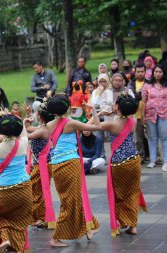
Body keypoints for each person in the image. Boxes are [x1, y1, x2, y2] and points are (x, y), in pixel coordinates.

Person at [46, 94, 100, 247]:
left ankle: (89, 228)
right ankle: (55, 238)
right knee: (71, 201)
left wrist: (98, 114)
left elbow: (84, 126)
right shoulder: (70, 123)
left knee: (72, 199)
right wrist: (94, 110)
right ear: (67, 108)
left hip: (56, 165)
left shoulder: (50, 124)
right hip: (70, 163)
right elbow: (95, 127)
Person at [99, 95, 147, 236]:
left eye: (115, 104)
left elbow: (91, 125)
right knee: (132, 192)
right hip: (134, 160)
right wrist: (116, 112)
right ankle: (133, 225)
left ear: (118, 107)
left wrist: (101, 113)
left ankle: (123, 221)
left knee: (119, 194)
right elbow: (123, 117)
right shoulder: (132, 121)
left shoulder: (111, 124)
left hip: (119, 163)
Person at [0, 115, 32, 253]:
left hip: (5, 190)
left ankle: (6, 239)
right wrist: (22, 122)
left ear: (0, 131)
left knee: (2, 217)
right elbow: (23, 133)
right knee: (21, 219)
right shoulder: (23, 143)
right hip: (24, 188)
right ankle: (16, 246)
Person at [25, 99, 56, 229]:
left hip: (42, 165)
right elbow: (28, 128)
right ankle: (40, 216)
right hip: (41, 164)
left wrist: (16, 128)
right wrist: (26, 118)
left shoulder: (43, 130)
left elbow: (25, 136)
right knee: (37, 190)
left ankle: (42, 217)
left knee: (37, 191)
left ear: (40, 116)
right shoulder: (43, 128)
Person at [142, 65, 167, 171]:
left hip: (164, 114)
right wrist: (143, 115)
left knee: (164, 138)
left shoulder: (166, 86)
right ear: (153, 73)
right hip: (150, 114)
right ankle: (153, 160)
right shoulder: (147, 85)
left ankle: (165, 160)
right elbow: (143, 101)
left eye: (160, 71)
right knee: (152, 138)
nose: (158, 73)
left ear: (163, 73)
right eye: (156, 71)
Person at [128, 64, 150, 163]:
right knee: (139, 138)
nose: (140, 73)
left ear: (145, 72)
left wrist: (140, 95)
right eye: (138, 71)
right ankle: (141, 155)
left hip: (149, 114)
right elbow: (132, 96)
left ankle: (152, 155)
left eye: (142, 71)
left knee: (150, 137)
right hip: (136, 114)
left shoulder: (149, 83)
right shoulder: (131, 84)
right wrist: (143, 94)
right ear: (135, 72)